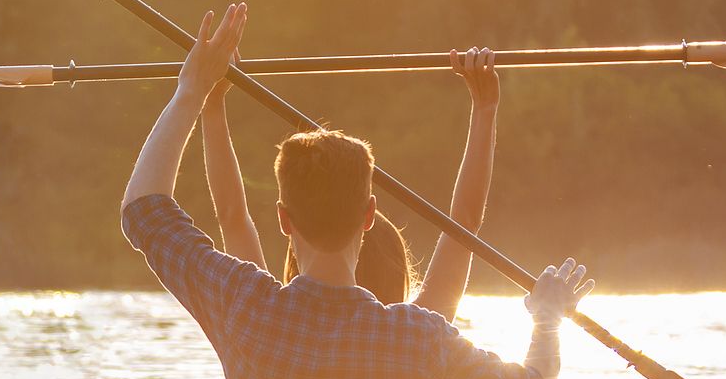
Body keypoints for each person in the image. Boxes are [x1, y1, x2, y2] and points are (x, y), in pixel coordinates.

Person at [121, 3, 592, 379]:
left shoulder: (241, 304)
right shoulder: (420, 340)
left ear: (283, 220)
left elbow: (143, 211)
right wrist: (547, 319)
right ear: (369, 214)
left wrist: (193, 91)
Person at [200, 37, 502, 322]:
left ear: (284, 219)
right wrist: (484, 108)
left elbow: (232, 217)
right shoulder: (413, 337)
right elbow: (464, 224)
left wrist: (211, 101)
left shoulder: (263, 319)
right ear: (368, 214)